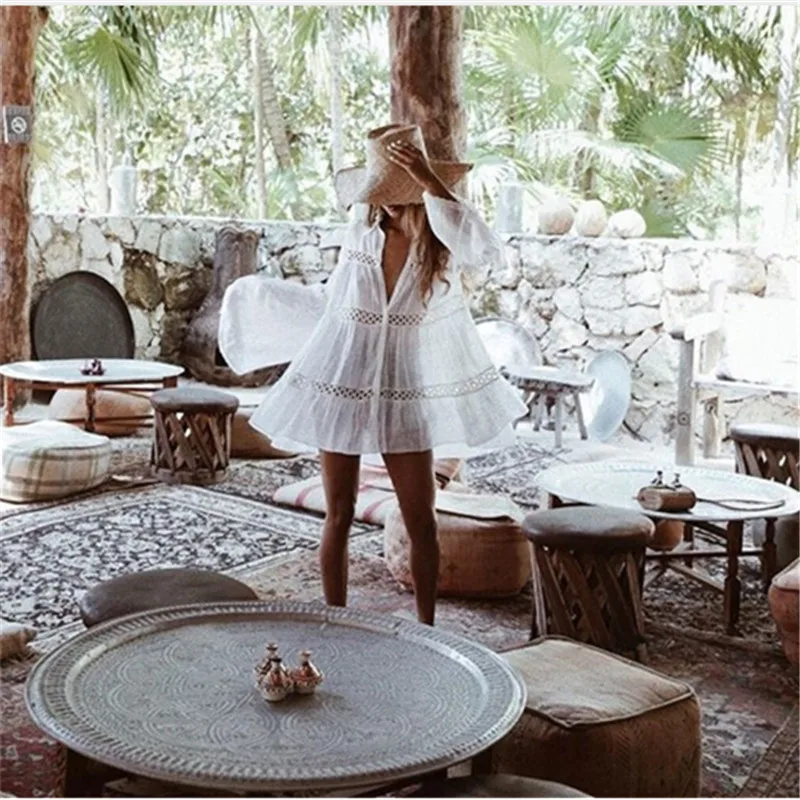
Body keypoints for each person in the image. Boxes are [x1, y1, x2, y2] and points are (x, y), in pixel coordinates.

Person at [219, 124, 527, 625]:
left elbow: (486, 249)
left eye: (388, 189)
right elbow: (334, 306)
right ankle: (336, 621)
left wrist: (430, 181)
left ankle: (427, 628)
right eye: (375, 190)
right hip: (345, 385)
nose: (378, 200)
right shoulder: (360, 236)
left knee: (422, 520)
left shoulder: (439, 245)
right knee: (338, 514)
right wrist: (259, 301)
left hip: (406, 393)